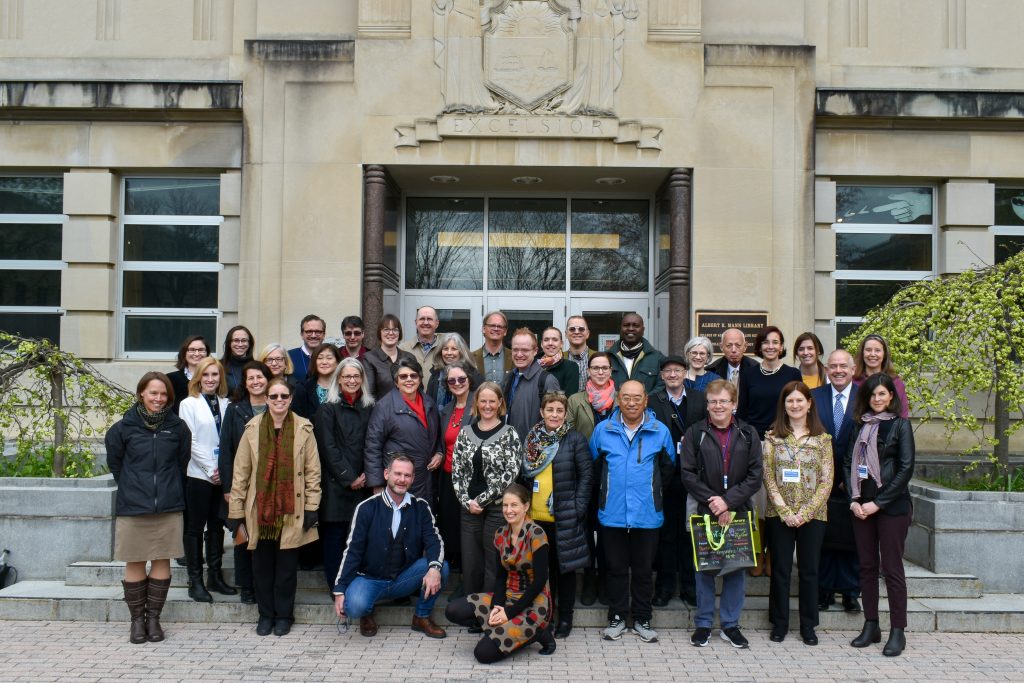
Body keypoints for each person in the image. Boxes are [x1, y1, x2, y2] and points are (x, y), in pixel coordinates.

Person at [226, 377, 321, 637]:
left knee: (287, 569)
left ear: (290, 399)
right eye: (274, 396)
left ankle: (284, 616)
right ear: (266, 399)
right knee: (262, 568)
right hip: (260, 511)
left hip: (293, 509)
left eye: (284, 396)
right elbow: (241, 473)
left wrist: (312, 506)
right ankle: (266, 615)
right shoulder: (252, 428)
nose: (279, 401)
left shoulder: (304, 428)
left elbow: (313, 472)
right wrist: (235, 511)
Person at [105, 372, 190, 644]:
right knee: (136, 560)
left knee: (162, 559)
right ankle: (136, 622)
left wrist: (166, 487)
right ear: (141, 393)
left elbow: (181, 463)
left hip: (168, 504)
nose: (159, 398)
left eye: (164, 394)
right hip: (134, 505)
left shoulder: (177, 428)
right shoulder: (122, 428)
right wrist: (135, 487)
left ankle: (154, 619)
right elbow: (116, 465)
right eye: (153, 392)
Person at [590, 380, 675, 644]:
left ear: (646, 400)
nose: (631, 402)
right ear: (618, 399)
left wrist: (650, 494)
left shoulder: (659, 431)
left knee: (642, 570)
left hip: (647, 514)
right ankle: (616, 617)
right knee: (615, 568)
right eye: (626, 397)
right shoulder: (603, 430)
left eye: (637, 397)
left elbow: (668, 470)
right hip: (612, 513)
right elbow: (594, 468)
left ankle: (642, 618)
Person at [681, 379, 763, 650]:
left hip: (738, 508)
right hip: (704, 508)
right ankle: (703, 624)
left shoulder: (748, 434)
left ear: (734, 404)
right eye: (713, 401)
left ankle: (730, 625)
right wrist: (713, 502)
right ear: (707, 405)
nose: (718, 406)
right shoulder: (695, 433)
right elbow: (688, 474)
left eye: (723, 401)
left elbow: (755, 475)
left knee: (735, 568)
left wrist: (728, 502)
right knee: (705, 569)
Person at [332, 453, 449, 639]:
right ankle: (366, 613)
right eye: (397, 474)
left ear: (413, 478)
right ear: (386, 474)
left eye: (407, 475)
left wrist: (434, 569)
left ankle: (422, 616)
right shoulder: (366, 508)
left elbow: (435, 541)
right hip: (369, 579)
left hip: (403, 578)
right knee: (354, 606)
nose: (402, 479)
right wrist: (340, 589)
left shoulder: (421, 507)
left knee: (440, 568)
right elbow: (352, 551)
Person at [845, 373, 916, 657]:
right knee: (866, 567)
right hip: (860, 506)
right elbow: (849, 462)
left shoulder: (900, 426)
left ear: (891, 397)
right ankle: (871, 624)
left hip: (892, 507)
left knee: (892, 569)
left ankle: (898, 630)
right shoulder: (858, 426)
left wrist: (880, 502)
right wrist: (854, 499)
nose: (877, 399)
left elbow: (905, 468)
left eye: (883, 394)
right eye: (873, 394)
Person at [446, 483, 556, 662]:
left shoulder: (537, 534)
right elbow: (500, 576)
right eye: (505, 505)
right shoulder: (500, 534)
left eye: (514, 505)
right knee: (453, 610)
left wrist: (509, 613)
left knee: (482, 654)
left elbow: (540, 582)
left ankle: (540, 633)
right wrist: (498, 605)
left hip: (534, 603)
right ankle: (506, 628)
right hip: (508, 597)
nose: (508, 510)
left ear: (526, 506)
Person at [763, 381, 833, 646]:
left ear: (809, 404)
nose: (795, 406)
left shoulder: (822, 440)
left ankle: (808, 625)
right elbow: (768, 476)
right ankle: (779, 624)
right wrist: (784, 510)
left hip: (813, 516)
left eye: (799, 401)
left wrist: (804, 513)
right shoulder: (772, 437)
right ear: (784, 405)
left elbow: (827, 481)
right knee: (780, 570)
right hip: (779, 514)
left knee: (809, 571)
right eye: (790, 401)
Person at [520, 392, 592, 638]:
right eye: (549, 409)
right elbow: (525, 476)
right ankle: (546, 617)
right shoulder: (532, 439)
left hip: (565, 517)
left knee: (566, 572)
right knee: (543, 573)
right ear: (542, 412)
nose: (554, 414)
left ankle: (566, 619)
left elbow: (586, 478)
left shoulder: (575, 440)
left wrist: (578, 508)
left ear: (565, 414)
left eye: (559, 411)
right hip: (536, 518)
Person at [451, 382, 522, 597]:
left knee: (494, 562)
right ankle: (472, 609)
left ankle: (490, 611)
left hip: (496, 509)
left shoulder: (509, 433)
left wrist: (481, 500)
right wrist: (467, 501)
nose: (488, 405)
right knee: (471, 563)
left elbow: (511, 473)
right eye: (483, 401)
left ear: (500, 403)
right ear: (477, 403)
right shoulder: (465, 433)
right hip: (468, 508)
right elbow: (457, 471)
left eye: (492, 401)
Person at [647, 354, 707, 608]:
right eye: (668, 371)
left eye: (677, 370)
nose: (673, 375)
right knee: (666, 534)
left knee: (691, 533)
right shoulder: (652, 400)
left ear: (685, 373)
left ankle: (690, 587)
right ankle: (664, 586)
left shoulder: (698, 399)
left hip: (694, 475)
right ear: (662, 375)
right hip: (664, 475)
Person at [313, 358, 374, 593]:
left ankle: (355, 583)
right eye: (347, 376)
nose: (351, 380)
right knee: (335, 539)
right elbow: (328, 448)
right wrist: (349, 477)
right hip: (336, 486)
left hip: (365, 483)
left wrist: (368, 473)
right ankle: (335, 587)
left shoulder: (369, 407)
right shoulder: (327, 409)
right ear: (338, 379)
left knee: (359, 538)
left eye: (356, 376)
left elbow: (373, 443)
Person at [177, 357, 233, 602]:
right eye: (206, 375)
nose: (211, 379)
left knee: (217, 526)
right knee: (195, 528)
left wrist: (224, 470)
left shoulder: (227, 403)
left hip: (222, 475)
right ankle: (195, 580)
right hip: (199, 474)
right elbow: (191, 441)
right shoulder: (189, 404)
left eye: (215, 375)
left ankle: (215, 576)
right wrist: (212, 469)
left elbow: (229, 439)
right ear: (198, 378)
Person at [218, 361, 273, 605]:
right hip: (242, 486)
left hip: (270, 486)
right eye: (250, 378)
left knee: (268, 538)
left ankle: (265, 585)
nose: (255, 382)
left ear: (268, 379)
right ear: (245, 382)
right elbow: (227, 452)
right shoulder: (235, 410)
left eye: (259, 377)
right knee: (242, 537)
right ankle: (246, 586)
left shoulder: (277, 406)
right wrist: (229, 489)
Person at [812, 350, 862, 614]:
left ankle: (851, 592)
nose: (839, 370)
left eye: (844, 366)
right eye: (833, 366)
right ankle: (824, 590)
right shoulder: (815, 397)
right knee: (824, 537)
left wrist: (850, 479)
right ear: (827, 369)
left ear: (853, 369)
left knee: (851, 537)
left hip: (853, 481)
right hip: (820, 480)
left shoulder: (864, 398)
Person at [565, 351, 616, 605]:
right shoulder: (576, 400)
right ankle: (588, 578)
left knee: (607, 530)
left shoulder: (621, 399)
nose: (599, 372)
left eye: (604, 368)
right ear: (589, 370)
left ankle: (605, 580)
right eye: (595, 367)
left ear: (610, 371)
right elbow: (569, 434)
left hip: (614, 474)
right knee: (585, 529)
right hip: (583, 472)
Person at [364, 357, 443, 502]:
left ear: (420, 379)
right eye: (403, 376)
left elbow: (437, 436)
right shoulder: (384, 407)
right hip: (400, 482)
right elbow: (372, 447)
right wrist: (377, 484)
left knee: (424, 519)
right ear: (396, 382)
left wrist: (439, 452)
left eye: (413, 376)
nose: (409, 380)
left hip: (427, 479)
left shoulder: (429, 403)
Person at [437, 361, 476, 591]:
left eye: (461, 379)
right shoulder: (445, 410)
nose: (457, 383)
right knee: (450, 527)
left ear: (469, 380)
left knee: (467, 530)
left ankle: (467, 581)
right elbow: (443, 442)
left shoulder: (478, 407)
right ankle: (454, 576)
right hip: (447, 476)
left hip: (470, 479)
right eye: (452, 380)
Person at [737, 326, 803, 440]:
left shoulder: (793, 374)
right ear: (760, 347)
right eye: (766, 342)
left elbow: (799, 408)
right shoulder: (748, 374)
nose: (770, 346)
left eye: (775, 342)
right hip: (753, 438)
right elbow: (742, 411)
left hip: (783, 437)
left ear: (781, 347)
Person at [502, 328, 560, 442]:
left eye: (525, 350)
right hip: (510, 450)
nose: (519, 354)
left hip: (535, 453)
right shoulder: (509, 378)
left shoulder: (547, 380)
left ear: (535, 351)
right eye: (515, 349)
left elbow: (555, 423)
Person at [853, 334, 910, 418]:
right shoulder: (853, 381)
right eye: (868, 350)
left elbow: (903, 416)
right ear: (862, 353)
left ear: (884, 354)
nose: (872, 354)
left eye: (877, 350)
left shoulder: (896, 383)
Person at [607, 312, 665, 393]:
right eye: (626, 325)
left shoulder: (657, 358)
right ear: (621, 329)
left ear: (643, 330)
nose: (630, 328)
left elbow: (662, 385)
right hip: (614, 405)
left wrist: (643, 401)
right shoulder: (607, 357)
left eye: (636, 325)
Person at [363, 314, 417, 399]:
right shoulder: (370, 358)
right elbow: (369, 394)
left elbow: (418, 389)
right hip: (382, 410)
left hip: (408, 410)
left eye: (395, 330)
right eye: (386, 330)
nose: (391, 333)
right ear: (379, 332)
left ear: (399, 333)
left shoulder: (410, 357)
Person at [425, 332, 482, 410]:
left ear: (461, 352)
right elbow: (428, 403)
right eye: (445, 349)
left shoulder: (473, 374)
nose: (449, 353)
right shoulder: (436, 374)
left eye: (454, 349)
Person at [291, 343, 341, 420]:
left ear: (337, 362)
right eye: (320, 358)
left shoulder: (344, 387)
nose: (324, 362)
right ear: (314, 362)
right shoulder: (302, 389)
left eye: (329, 358)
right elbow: (296, 419)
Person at [167, 335, 210, 414]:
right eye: (192, 350)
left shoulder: (213, 379)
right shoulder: (170, 379)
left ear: (207, 353)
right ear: (184, 353)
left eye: (201, 350)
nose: (197, 354)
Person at [472, 310, 513, 383]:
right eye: (492, 325)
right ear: (483, 329)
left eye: (500, 326)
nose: (496, 329)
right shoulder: (471, 358)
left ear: (505, 331)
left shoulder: (514, 356)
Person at [537, 326, 580, 394]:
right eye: (546, 340)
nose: (550, 343)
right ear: (542, 344)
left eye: (555, 340)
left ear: (561, 344)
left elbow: (569, 398)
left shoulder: (571, 367)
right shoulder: (533, 365)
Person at [288, 314, 327, 380]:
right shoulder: (289, 356)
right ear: (301, 334)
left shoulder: (332, 358)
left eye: (318, 332)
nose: (313, 336)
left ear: (324, 335)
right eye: (309, 331)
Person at [220, 325, 254, 395]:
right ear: (229, 343)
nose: (240, 344)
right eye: (236, 340)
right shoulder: (219, 366)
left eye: (244, 340)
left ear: (249, 343)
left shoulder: (257, 367)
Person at [564, 315, 592, 393]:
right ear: (566, 334)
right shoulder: (559, 359)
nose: (576, 332)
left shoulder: (599, 358)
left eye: (581, 329)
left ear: (588, 334)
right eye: (572, 329)